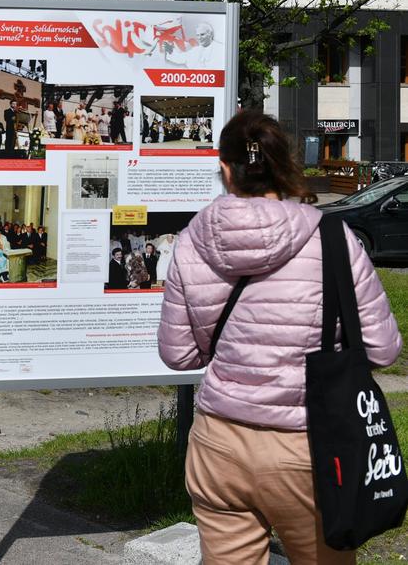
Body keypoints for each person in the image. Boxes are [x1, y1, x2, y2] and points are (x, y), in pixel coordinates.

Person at [157, 110, 402, 563]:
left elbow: (179, 354)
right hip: (307, 444)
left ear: (226, 169)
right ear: (282, 163)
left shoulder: (191, 240)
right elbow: (384, 349)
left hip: (219, 441)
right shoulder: (333, 237)